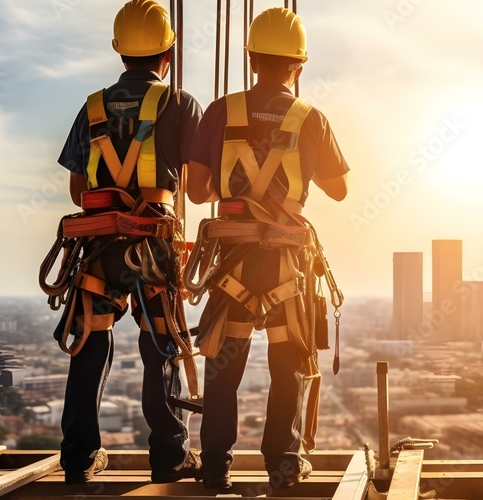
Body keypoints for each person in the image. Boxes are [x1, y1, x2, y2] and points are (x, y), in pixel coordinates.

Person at [185, 7, 349, 490]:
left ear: (252, 58)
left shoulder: (221, 110)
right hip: (285, 258)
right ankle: (282, 464)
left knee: (225, 359)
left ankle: (214, 466)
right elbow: (338, 190)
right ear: (299, 66)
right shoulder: (310, 117)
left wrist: (236, 188)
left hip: (233, 258)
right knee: (288, 362)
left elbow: (196, 192)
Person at [53, 0, 203, 484]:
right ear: (168, 53)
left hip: (99, 245)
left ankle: (78, 456)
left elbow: (79, 190)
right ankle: (168, 454)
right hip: (151, 245)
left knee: (89, 340)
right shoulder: (180, 103)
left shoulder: (93, 106)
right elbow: (199, 185)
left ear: (119, 52)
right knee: (159, 344)